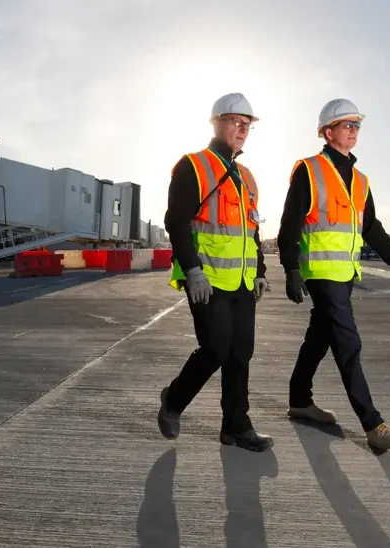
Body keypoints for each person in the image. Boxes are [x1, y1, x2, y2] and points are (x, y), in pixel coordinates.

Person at [276, 98, 390, 452]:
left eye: (357, 125)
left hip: (344, 274)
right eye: (346, 125)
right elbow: (289, 223)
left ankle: (299, 400)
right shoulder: (310, 169)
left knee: (319, 337)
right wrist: (291, 268)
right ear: (327, 131)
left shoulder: (361, 180)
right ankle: (373, 424)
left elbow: (371, 227)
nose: (353, 131)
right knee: (347, 342)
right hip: (319, 271)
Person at [157, 92, 273, 453]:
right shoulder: (194, 165)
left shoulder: (247, 177)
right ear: (216, 123)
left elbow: (251, 231)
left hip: (241, 280)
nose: (242, 130)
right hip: (206, 278)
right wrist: (192, 270)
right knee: (216, 349)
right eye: (236, 122)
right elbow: (175, 221)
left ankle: (236, 427)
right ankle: (173, 401)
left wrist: (261, 270)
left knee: (242, 352)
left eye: (247, 125)